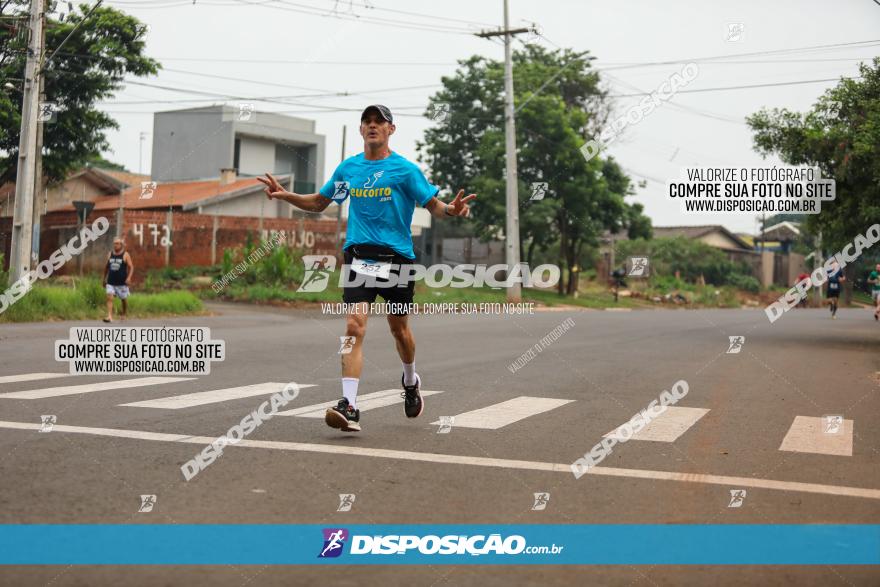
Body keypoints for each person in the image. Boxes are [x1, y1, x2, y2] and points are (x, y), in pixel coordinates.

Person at [258, 104, 475, 432]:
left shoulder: (404, 171)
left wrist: (453, 210)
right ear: (361, 130)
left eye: (380, 122)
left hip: (398, 260)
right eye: (367, 121)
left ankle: (411, 379)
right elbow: (320, 202)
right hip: (359, 258)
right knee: (353, 327)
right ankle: (350, 404)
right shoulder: (349, 169)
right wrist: (285, 195)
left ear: (391, 129)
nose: (373, 126)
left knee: (399, 330)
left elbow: (434, 206)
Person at [102, 237, 133, 323]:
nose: (115, 245)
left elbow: (131, 267)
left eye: (117, 243)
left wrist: (129, 277)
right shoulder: (110, 254)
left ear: (121, 245)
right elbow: (106, 267)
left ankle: (123, 313)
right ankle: (109, 316)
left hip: (122, 283)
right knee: (109, 298)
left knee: (123, 299)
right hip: (111, 281)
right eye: (114, 243)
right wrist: (104, 279)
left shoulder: (125, 255)